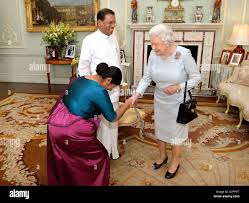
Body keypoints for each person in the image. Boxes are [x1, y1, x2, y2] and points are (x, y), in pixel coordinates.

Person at [131, 24, 201, 179]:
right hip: (160, 100)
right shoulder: (154, 54)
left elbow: (196, 78)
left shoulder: (184, 54)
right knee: (161, 129)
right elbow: (147, 77)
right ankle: (162, 156)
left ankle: (176, 160)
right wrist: (137, 93)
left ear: (167, 41)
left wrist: (178, 87)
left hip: (178, 101)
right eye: (152, 43)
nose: (153, 47)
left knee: (176, 132)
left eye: (156, 44)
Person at [47, 63, 133, 186]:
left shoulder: (81, 78)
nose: (110, 90)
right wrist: (127, 104)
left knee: (68, 157)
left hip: (55, 123)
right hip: (71, 129)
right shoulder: (100, 91)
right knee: (100, 156)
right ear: (108, 80)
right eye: (112, 87)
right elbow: (112, 118)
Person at [78, 8, 122, 160]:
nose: (112, 26)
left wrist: (120, 83)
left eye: (114, 23)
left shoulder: (114, 38)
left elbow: (118, 62)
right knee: (102, 123)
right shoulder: (89, 40)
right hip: (98, 90)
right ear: (99, 23)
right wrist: (89, 90)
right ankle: (102, 154)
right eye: (109, 23)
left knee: (113, 120)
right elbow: (83, 67)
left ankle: (112, 151)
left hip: (114, 88)